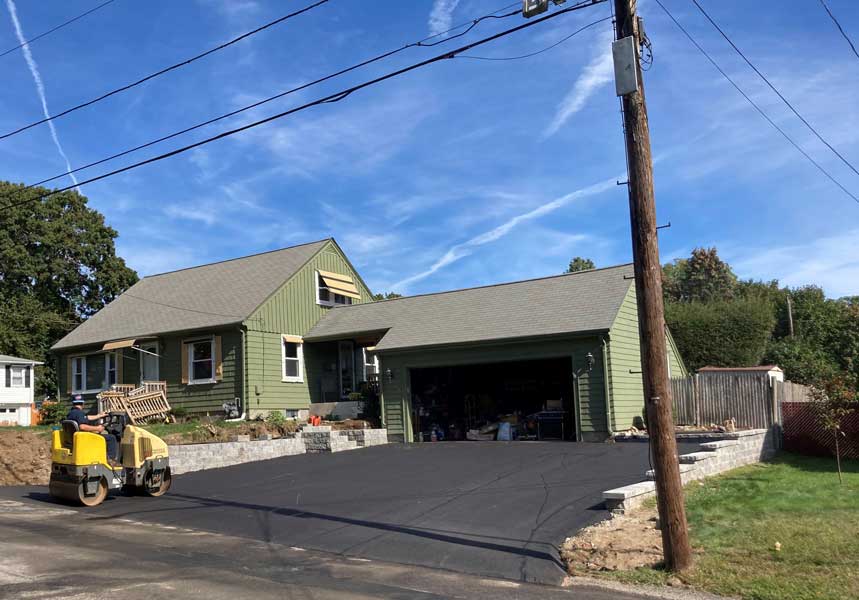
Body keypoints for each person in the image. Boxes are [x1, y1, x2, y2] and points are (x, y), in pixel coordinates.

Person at [66, 397, 119, 466]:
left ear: (73, 404)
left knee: (99, 434)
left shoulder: (71, 413)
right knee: (111, 438)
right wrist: (97, 428)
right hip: (84, 439)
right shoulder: (80, 413)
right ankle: (110, 460)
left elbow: (86, 417)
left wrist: (99, 415)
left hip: (75, 439)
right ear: (83, 404)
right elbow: (82, 426)